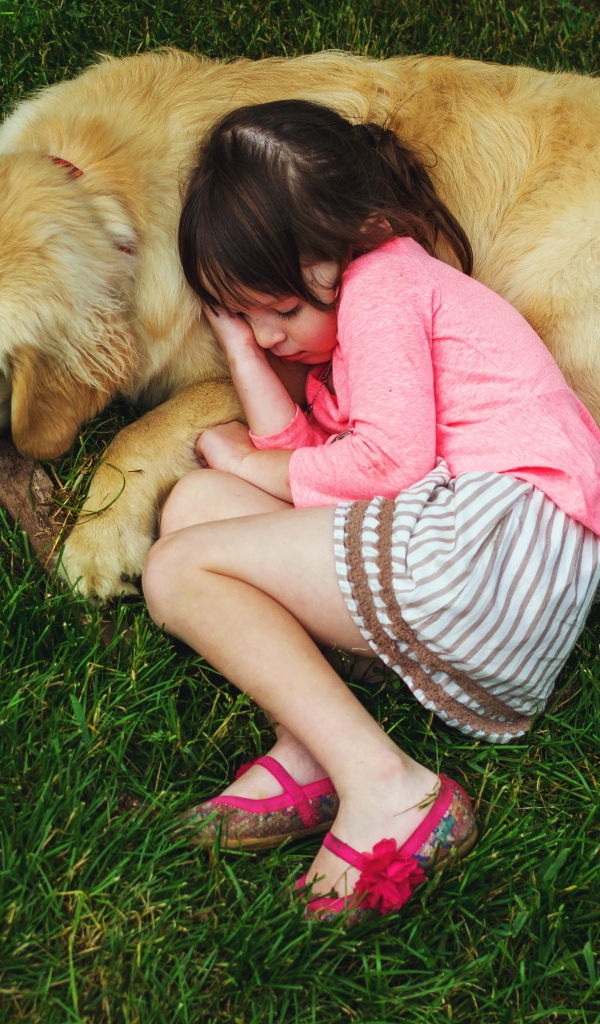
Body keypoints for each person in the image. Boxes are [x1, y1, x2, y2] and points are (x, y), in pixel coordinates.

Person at [143, 99, 600, 923]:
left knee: (177, 568)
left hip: (491, 545)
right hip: (489, 563)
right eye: (246, 316)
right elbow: (309, 452)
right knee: (198, 507)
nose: (272, 335)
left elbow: (386, 464)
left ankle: (389, 786)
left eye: (283, 310)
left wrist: (250, 459)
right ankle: (313, 743)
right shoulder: (349, 333)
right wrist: (249, 355)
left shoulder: (386, 282)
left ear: (360, 234)